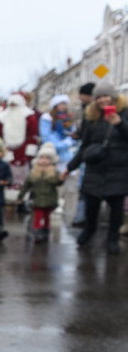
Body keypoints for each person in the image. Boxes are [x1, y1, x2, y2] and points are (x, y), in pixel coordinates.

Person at [63, 80, 128, 255]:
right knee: (92, 205)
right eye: (99, 97)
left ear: (113, 97)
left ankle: (112, 238)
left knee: (115, 208)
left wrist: (119, 123)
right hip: (95, 168)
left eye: (106, 96)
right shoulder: (91, 117)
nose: (102, 100)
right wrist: (70, 167)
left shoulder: (124, 113)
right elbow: (84, 145)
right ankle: (89, 230)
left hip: (119, 168)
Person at [0, 92, 39, 203]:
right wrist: (0, 149)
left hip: (23, 148)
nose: (13, 107)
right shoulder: (2, 117)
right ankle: (7, 198)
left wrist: (30, 151)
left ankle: (23, 200)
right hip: (6, 149)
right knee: (7, 173)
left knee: (23, 173)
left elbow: (33, 134)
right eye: (11, 105)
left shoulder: (29, 116)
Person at [17, 143, 64, 243]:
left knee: (46, 216)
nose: (44, 160)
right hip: (37, 199)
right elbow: (26, 185)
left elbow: (57, 182)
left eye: (47, 158)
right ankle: (38, 232)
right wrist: (20, 196)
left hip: (49, 199)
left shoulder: (54, 172)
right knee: (38, 216)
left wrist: (61, 178)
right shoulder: (33, 172)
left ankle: (45, 230)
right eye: (42, 157)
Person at [68, 82, 97, 227]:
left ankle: (85, 218)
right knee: (84, 186)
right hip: (87, 150)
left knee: (86, 186)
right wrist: (78, 135)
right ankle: (84, 217)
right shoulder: (86, 110)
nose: (80, 97)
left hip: (90, 153)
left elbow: (89, 134)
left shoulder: (93, 112)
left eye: (82, 94)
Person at [39, 94, 75, 171]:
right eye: (61, 104)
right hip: (51, 154)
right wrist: (63, 144)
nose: (63, 106)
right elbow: (46, 136)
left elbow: (74, 133)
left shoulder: (69, 118)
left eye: (64, 104)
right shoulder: (47, 118)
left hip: (67, 155)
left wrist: (70, 141)